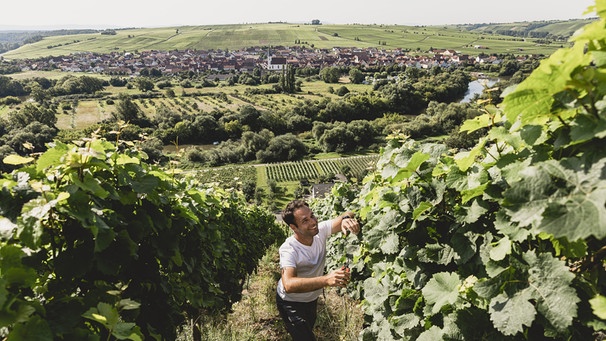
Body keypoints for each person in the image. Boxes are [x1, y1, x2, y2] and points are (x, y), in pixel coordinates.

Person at [276, 199, 360, 341]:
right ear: (294, 227)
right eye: (305, 221)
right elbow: (288, 284)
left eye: (312, 216)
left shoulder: (319, 231)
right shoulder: (289, 249)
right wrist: (327, 279)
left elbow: (349, 213)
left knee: (307, 332)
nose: (313, 222)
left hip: (311, 299)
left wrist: (346, 219)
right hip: (290, 303)